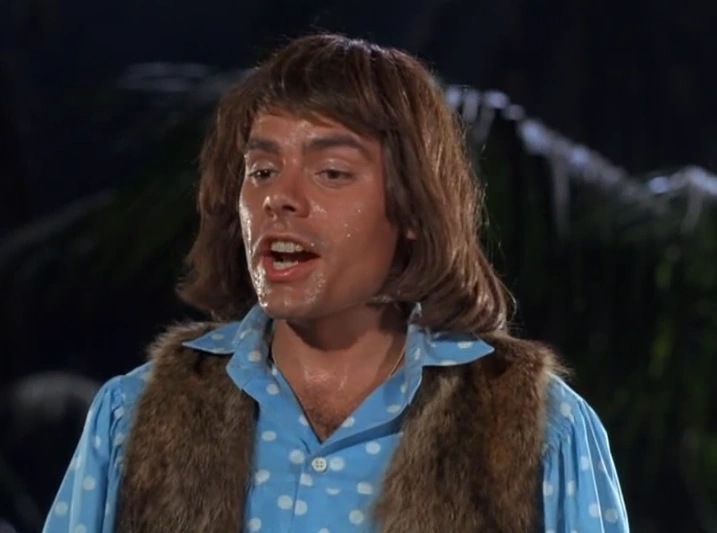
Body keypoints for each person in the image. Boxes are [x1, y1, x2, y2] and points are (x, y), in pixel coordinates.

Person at [42, 33, 629, 533]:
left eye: (331, 172)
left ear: (412, 209)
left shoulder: (539, 430)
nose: (279, 198)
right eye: (261, 170)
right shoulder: (133, 416)